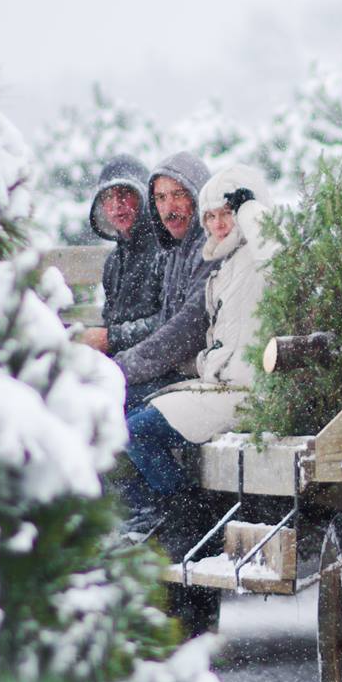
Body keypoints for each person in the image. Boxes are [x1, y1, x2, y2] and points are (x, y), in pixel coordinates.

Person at [120, 163, 278, 536]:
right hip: (220, 385)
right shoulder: (223, 270)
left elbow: (281, 259)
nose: (218, 225)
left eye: (227, 214)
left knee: (139, 431)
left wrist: (252, 210)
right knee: (135, 417)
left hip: (247, 392)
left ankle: (189, 519)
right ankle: (162, 514)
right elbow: (222, 342)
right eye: (211, 217)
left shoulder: (260, 264)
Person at [102, 151, 217, 406]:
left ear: (198, 198)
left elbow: (185, 330)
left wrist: (117, 365)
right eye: (161, 198)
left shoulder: (207, 249)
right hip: (168, 370)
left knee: (124, 419)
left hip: (197, 375)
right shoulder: (175, 248)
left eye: (178, 195)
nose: (169, 208)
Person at [75, 156, 165, 406]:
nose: (117, 205)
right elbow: (111, 323)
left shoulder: (164, 251)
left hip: (158, 374)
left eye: (126, 193)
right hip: (120, 372)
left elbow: (171, 322)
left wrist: (111, 338)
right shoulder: (114, 262)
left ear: (145, 197)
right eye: (108, 197)